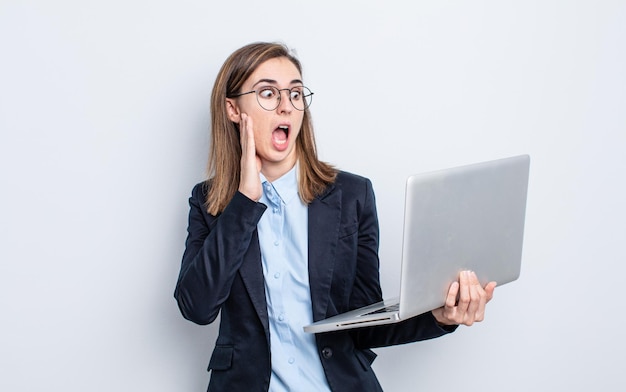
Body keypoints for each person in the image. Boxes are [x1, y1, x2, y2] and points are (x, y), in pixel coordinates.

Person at [174, 42, 496, 392]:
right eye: (268, 93)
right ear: (233, 109)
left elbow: (364, 321)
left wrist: (440, 315)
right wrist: (245, 201)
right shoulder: (210, 202)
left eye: (296, 94)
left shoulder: (351, 197)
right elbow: (197, 308)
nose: (286, 106)